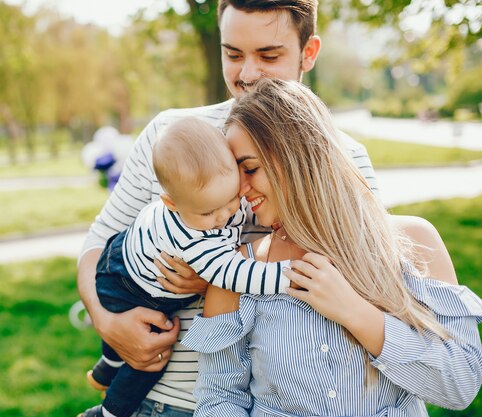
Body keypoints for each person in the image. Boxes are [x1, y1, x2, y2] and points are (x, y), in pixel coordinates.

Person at [77, 1, 383, 415]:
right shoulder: (168, 137)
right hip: (159, 398)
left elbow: (358, 286)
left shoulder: (346, 159)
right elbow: (98, 243)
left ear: (308, 53)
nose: (247, 74)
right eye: (233, 54)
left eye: (269, 55)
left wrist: (215, 278)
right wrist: (106, 322)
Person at [181, 78, 482, 416]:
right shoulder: (237, 271)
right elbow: (219, 399)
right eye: (235, 173)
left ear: (300, 160)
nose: (240, 188)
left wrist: (355, 313)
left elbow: (462, 385)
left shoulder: (414, 244)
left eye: (250, 168)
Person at [82, 116, 296, 417]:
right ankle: (109, 412)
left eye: (233, 199)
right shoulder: (191, 235)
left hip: (128, 255)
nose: (224, 216)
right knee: (149, 361)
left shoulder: (209, 195)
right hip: (127, 286)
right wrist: (287, 276)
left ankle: (105, 370)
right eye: (210, 212)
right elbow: (235, 274)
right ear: (172, 203)